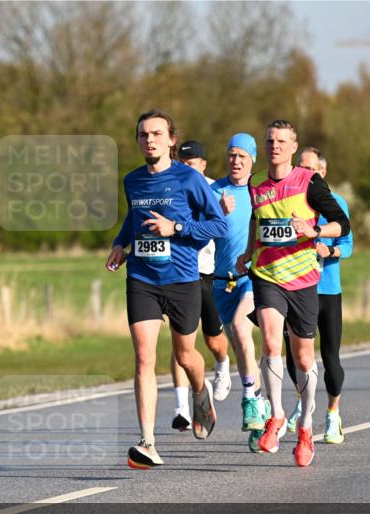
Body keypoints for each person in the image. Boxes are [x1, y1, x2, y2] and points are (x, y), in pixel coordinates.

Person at [106, 109, 227, 469]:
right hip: (142, 279)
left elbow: (218, 226)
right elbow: (134, 216)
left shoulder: (190, 180)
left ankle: (201, 393)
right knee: (144, 358)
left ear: (171, 140)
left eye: (157, 134)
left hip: (182, 279)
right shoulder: (132, 180)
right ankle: (147, 441)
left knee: (185, 356)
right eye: (143, 134)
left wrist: (175, 229)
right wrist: (120, 242)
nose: (150, 140)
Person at [235, 120, 350, 467]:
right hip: (267, 275)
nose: (275, 146)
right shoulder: (255, 185)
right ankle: (277, 416)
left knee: (303, 360)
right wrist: (247, 251)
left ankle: (305, 427)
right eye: (270, 140)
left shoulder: (309, 181)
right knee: (270, 341)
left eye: (282, 141)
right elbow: (257, 222)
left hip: (302, 279)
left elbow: (341, 224)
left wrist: (313, 230)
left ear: (293, 146)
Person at [284, 147, 353, 444]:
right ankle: (305, 400)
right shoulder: (289, 199)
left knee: (330, 358)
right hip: (296, 287)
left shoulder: (336, 203)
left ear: (322, 174)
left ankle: (333, 414)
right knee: (293, 357)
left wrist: (330, 249)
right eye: (299, 166)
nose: (302, 172)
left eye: (309, 169)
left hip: (327, 290)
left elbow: (348, 244)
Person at [209, 133, 271, 452]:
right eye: (231, 155)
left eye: (242, 156)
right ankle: (259, 410)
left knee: (240, 326)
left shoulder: (261, 193)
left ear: (252, 160)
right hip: (221, 282)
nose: (235, 161)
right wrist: (215, 212)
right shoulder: (213, 190)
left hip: (251, 277)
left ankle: (248, 398)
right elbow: (194, 228)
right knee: (240, 346)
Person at [170, 140, 232, 433]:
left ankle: (222, 364)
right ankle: (182, 408)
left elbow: (221, 229)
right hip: (176, 272)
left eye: (191, 164)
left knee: (211, 338)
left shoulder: (213, 189)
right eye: (181, 163)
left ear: (203, 165)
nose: (186, 168)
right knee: (180, 341)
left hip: (205, 270)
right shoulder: (168, 185)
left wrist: (220, 211)